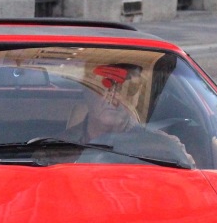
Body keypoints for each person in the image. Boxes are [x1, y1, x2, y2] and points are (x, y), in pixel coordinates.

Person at [65, 62, 193, 167]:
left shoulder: (166, 149)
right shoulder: (55, 147)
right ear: (86, 91)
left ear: (138, 96)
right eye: (104, 86)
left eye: (128, 89)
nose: (114, 98)